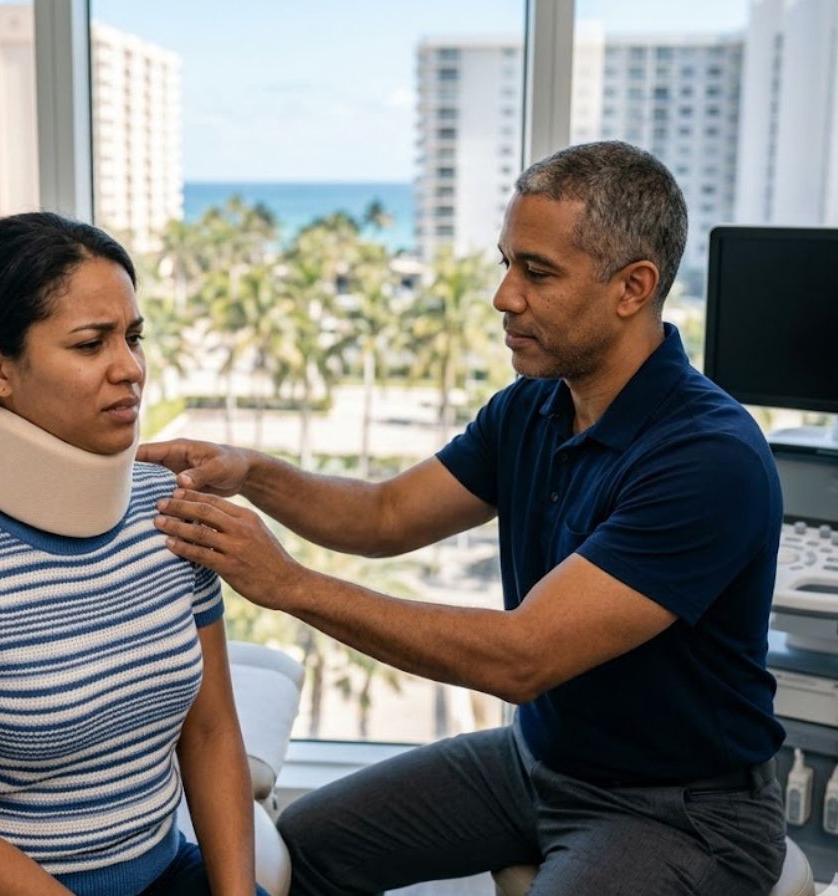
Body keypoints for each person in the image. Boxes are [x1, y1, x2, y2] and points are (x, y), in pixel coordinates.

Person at [140, 141, 787, 895]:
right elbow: (384, 516)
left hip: (679, 812)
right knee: (300, 852)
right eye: (507, 262)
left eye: (537, 272)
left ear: (632, 287)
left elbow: (521, 659)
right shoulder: (535, 408)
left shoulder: (707, 457)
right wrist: (253, 473)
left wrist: (286, 584)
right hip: (538, 762)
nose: (504, 296)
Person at [0, 212, 262, 896]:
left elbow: (213, 733)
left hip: (164, 875)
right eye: (89, 344)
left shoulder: (170, 510)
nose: (130, 369)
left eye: (133, 338)